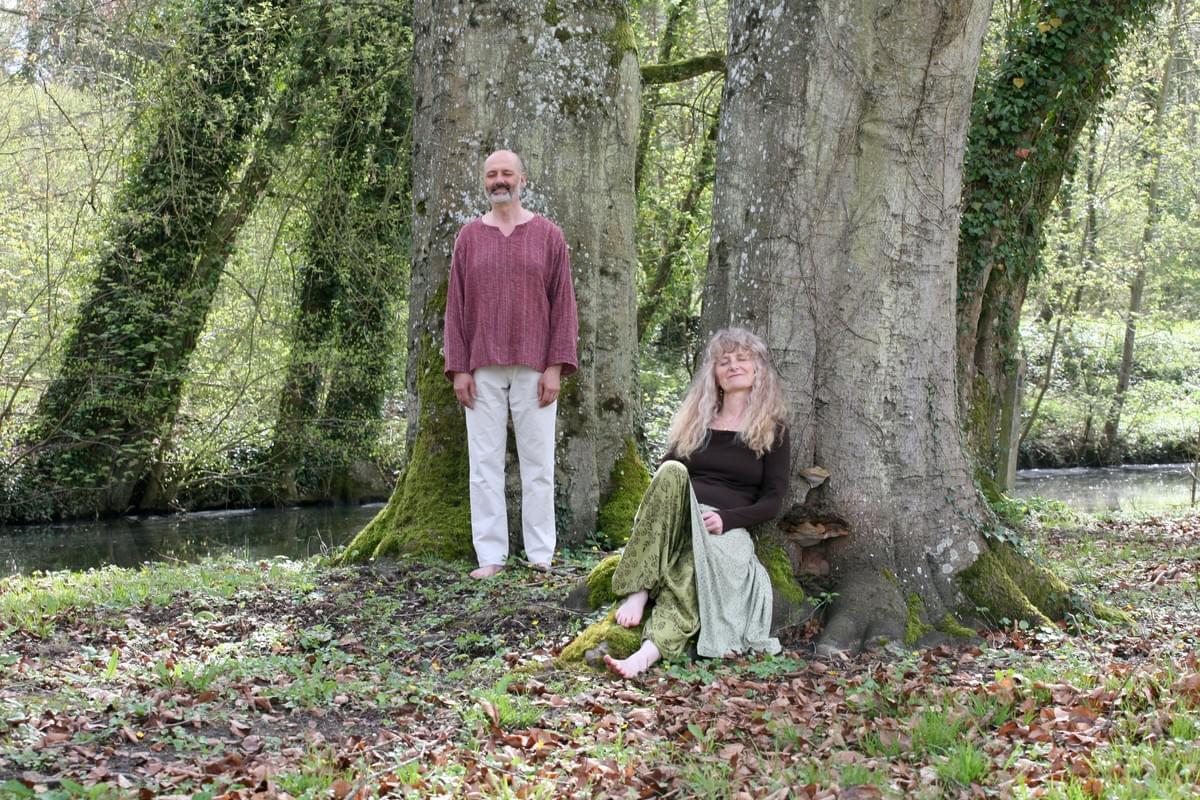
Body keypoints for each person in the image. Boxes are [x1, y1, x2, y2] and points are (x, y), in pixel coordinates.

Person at [604, 327, 790, 678]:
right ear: (715, 375)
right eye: (724, 361)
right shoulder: (696, 422)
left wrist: (728, 519)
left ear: (757, 370)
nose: (733, 366)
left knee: (691, 573)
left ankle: (646, 654)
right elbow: (662, 482)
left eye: (742, 359)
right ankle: (639, 590)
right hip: (679, 517)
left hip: (724, 528)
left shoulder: (773, 429)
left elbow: (773, 500)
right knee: (673, 470)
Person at [444, 149, 579, 579]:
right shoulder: (469, 238)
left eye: (506, 173)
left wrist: (557, 366)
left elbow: (564, 306)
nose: (499, 180)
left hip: (536, 367)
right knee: (483, 466)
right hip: (481, 365)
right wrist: (460, 368)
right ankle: (491, 558)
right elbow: (455, 307)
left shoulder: (548, 236)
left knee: (538, 464)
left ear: (523, 180)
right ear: (484, 182)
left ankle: (540, 554)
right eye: (491, 175)